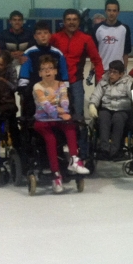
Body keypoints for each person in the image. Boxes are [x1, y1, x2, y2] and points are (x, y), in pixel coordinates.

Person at [32, 54, 88, 194]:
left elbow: (65, 101)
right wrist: (59, 111)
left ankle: (74, 159)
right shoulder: (37, 86)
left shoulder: (61, 84)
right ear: (39, 73)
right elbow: (45, 105)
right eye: (44, 69)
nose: (47, 71)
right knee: (51, 139)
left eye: (50, 68)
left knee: (70, 127)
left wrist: (63, 111)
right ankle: (56, 175)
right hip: (42, 121)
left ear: (56, 71)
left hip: (58, 120)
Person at [50, 8, 103, 123]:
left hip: (76, 81)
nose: (71, 22)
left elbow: (97, 61)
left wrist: (100, 81)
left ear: (79, 22)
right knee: (57, 114)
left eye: (74, 19)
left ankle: (82, 141)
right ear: (64, 22)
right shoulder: (55, 38)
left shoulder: (86, 39)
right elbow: (42, 50)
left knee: (78, 115)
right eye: (68, 19)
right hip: (57, 82)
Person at [17, 21, 69, 119]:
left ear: (50, 35)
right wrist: (23, 90)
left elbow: (64, 73)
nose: (43, 36)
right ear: (35, 36)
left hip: (55, 89)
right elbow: (24, 75)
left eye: (45, 33)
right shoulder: (29, 52)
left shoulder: (58, 53)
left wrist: (66, 88)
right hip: (35, 88)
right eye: (39, 33)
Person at [88, 60, 133, 161]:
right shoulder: (104, 81)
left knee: (118, 119)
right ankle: (104, 149)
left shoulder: (128, 82)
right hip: (107, 108)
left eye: (115, 72)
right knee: (103, 117)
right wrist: (92, 105)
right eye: (110, 71)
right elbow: (96, 95)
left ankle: (115, 151)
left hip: (122, 109)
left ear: (121, 74)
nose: (111, 74)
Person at [93, 0, 132, 70]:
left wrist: (124, 70)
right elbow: (93, 52)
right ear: (105, 11)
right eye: (109, 10)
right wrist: (92, 70)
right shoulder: (97, 28)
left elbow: (126, 53)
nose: (111, 13)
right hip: (101, 69)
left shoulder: (125, 29)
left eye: (114, 11)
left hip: (118, 71)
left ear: (118, 12)